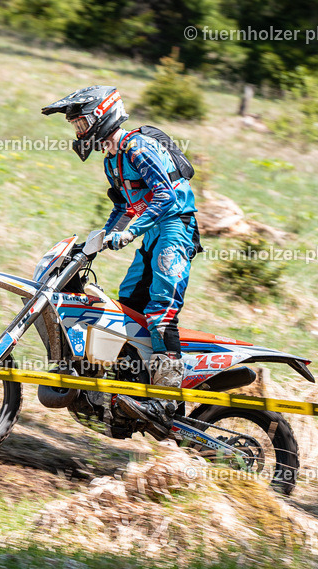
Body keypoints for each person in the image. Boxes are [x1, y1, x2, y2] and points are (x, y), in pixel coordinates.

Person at [42, 85, 200, 431]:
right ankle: (133, 390)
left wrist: (130, 231)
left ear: (103, 115)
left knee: (161, 312)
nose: (79, 132)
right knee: (127, 309)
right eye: (76, 127)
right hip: (152, 232)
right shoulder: (112, 159)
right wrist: (97, 240)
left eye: (81, 123)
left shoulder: (138, 147)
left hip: (174, 228)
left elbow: (167, 196)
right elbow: (121, 206)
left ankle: (167, 399)